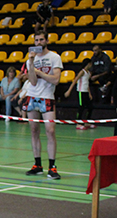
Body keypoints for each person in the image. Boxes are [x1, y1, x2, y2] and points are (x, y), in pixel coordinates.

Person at [23, 30, 63, 179]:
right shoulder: (30, 60)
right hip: (32, 96)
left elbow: (55, 80)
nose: (38, 43)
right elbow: (32, 81)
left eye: (41, 40)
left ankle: (52, 166)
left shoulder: (54, 57)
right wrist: (32, 63)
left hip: (47, 97)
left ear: (46, 41)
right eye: (36, 40)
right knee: (34, 130)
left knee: (50, 130)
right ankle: (37, 164)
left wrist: (41, 73)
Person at [64, 58, 93, 130]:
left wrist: (89, 94)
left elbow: (87, 84)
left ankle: (87, 122)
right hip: (81, 92)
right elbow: (75, 81)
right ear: (88, 64)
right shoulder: (82, 72)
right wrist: (69, 91)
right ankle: (78, 123)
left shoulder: (89, 73)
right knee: (81, 107)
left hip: (86, 92)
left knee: (90, 107)